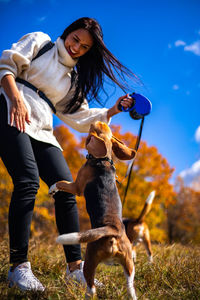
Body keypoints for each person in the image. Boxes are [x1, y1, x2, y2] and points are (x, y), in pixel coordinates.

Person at [0, 17, 136, 291]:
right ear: (67, 32)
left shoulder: (73, 78)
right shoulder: (41, 42)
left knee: (65, 189)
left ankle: (75, 268)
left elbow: (79, 116)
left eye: (84, 47)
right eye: (75, 39)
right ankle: (18, 268)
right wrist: (15, 98)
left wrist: (113, 110)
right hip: (9, 109)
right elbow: (6, 65)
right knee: (27, 182)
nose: (76, 48)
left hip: (42, 126)